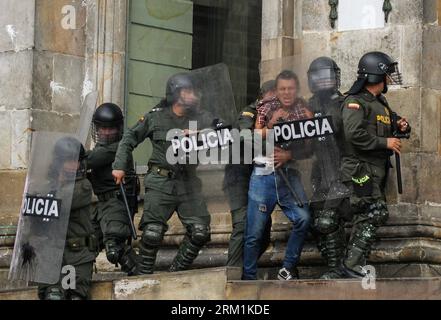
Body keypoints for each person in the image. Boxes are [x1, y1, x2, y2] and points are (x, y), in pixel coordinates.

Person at [112, 73, 219, 274]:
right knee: (153, 233)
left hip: (188, 184)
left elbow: (225, 130)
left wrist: (201, 134)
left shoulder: (202, 117)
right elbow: (129, 138)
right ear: (175, 94)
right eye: (188, 91)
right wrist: (119, 166)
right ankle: (143, 278)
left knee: (200, 231)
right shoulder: (156, 117)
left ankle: (175, 273)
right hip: (161, 181)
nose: (194, 95)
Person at [340, 51, 411, 277]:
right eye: (387, 74)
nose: (389, 79)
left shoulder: (381, 103)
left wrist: (401, 126)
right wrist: (385, 142)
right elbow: (353, 134)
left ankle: (353, 264)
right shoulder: (354, 102)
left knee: (373, 213)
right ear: (376, 74)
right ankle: (351, 264)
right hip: (360, 170)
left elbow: (393, 122)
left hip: (375, 171)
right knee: (373, 212)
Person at [242, 70, 312, 281]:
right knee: (254, 233)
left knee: (303, 219)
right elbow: (252, 137)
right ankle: (248, 278)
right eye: (282, 89)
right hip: (263, 175)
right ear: (277, 91)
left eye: (290, 88)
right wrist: (272, 124)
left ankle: (288, 268)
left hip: (289, 175)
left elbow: (311, 145)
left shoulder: (305, 110)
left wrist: (290, 154)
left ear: (297, 89)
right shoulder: (264, 109)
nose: (287, 93)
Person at [223, 80, 276, 267]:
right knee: (243, 223)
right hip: (239, 176)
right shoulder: (249, 113)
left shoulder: (277, 116)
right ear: (264, 95)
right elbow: (246, 137)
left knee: (263, 230)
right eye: (274, 95)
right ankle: (232, 273)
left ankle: (246, 268)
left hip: (259, 178)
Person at [38, 137, 97, 300]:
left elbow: (61, 203)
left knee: (75, 296)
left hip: (77, 255)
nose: (73, 166)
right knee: (53, 296)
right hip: (51, 255)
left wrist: (44, 197)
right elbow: (33, 216)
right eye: (68, 161)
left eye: (76, 161)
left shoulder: (83, 186)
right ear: (58, 163)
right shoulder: (46, 187)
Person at [307, 57, 349, 279]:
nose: (324, 81)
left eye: (328, 77)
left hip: (341, 172)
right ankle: (337, 265)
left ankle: (338, 269)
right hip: (319, 175)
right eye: (319, 77)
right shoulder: (306, 106)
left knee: (328, 220)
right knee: (314, 223)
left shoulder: (344, 104)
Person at [86, 103, 139, 276]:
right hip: (102, 205)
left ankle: (140, 274)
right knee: (85, 245)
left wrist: (69, 154)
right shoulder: (100, 149)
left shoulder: (117, 148)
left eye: (111, 129)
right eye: (102, 128)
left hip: (116, 204)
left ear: (119, 129)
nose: (106, 133)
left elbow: (89, 160)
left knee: (114, 249)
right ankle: (77, 284)